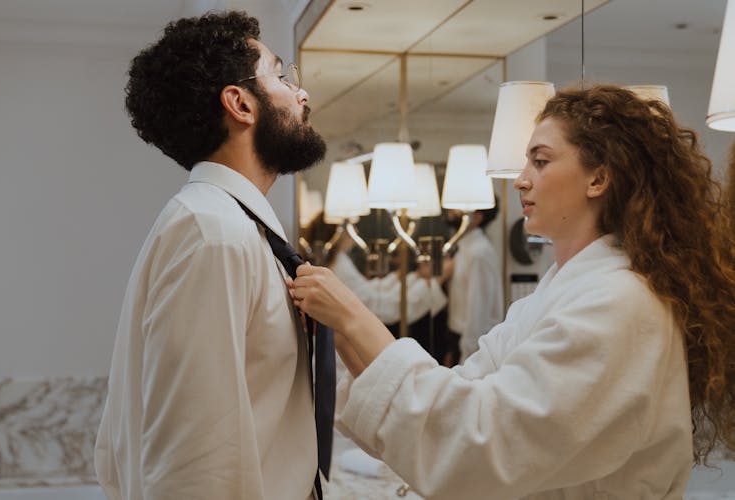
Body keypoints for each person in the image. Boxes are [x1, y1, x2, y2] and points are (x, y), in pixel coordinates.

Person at [291, 84, 735, 499]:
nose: (520, 180)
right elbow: (465, 391)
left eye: (540, 161)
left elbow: (485, 441)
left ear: (598, 179)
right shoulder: (562, 289)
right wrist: (343, 335)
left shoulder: (621, 303)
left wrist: (353, 317)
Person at [95, 11, 327, 500]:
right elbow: (194, 464)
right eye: (282, 76)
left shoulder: (233, 228)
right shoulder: (213, 235)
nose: (302, 94)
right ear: (240, 103)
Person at [305, 213, 450, 327]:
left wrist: (410, 277)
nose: (356, 230)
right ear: (340, 230)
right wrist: (434, 281)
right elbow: (379, 305)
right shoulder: (339, 265)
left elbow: (368, 292)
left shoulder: (339, 261)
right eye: (351, 226)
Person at [444, 200, 503, 365]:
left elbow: (478, 313)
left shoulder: (479, 253)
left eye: (458, 207)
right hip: (456, 340)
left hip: (470, 345)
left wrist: (466, 360)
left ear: (476, 218)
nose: (450, 209)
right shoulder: (463, 248)